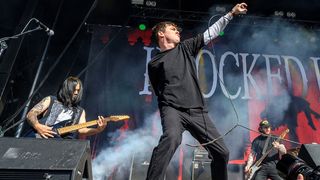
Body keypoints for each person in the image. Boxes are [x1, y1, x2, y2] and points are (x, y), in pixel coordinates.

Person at [147, 3, 248, 180]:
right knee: (171, 139)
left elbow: (210, 33)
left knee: (222, 152)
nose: (177, 31)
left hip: (197, 110)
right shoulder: (154, 63)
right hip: (172, 110)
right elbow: (158, 91)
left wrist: (231, 13)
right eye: (172, 29)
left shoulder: (185, 48)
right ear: (161, 34)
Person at [26, 76, 107, 139]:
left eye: (78, 91)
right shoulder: (50, 100)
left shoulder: (80, 111)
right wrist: (38, 126)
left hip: (60, 144)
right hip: (38, 136)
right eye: (74, 90)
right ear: (66, 89)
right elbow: (31, 114)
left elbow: (82, 130)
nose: (76, 93)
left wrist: (98, 130)